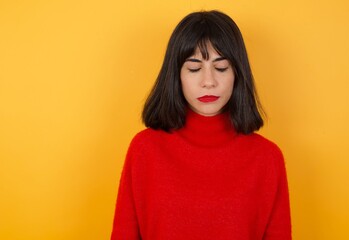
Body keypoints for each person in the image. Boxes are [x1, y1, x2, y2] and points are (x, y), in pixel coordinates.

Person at [111, 10, 291, 240]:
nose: (209, 81)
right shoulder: (144, 149)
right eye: (194, 68)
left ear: (238, 73)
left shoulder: (267, 158)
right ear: (176, 75)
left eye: (221, 67)